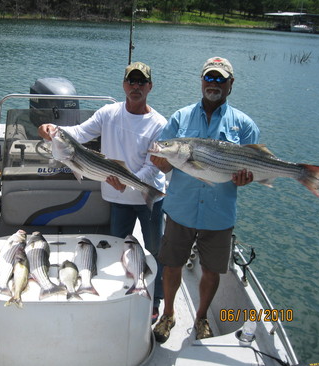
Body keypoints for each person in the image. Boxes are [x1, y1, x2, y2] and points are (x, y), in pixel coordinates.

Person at [38, 62, 167, 320]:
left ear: (150, 87)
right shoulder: (108, 113)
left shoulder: (159, 123)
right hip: (117, 197)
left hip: (148, 192)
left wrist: (131, 183)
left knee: (154, 249)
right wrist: (53, 130)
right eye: (132, 81)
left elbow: (152, 167)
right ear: (124, 84)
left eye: (142, 82)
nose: (136, 87)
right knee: (117, 247)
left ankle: (156, 298)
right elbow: (79, 133)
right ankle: (121, 291)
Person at [150, 57, 260, 343]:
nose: (214, 84)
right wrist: (161, 159)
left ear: (230, 84)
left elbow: (253, 169)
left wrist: (247, 178)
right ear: (201, 80)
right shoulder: (180, 118)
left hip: (219, 213)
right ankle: (169, 314)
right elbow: (163, 161)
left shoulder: (244, 124)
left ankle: (201, 319)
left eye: (220, 79)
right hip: (180, 208)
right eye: (209, 78)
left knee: (212, 271)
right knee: (172, 265)